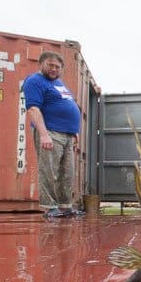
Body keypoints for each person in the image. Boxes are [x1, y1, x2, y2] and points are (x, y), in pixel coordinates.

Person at [23, 51, 85, 218]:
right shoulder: (34, 81)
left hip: (66, 135)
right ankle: (50, 208)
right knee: (49, 170)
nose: (54, 69)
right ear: (41, 64)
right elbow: (33, 109)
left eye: (57, 67)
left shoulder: (58, 83)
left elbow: (67, 105)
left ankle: (65, 206)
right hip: (50, 131)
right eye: (50, 65)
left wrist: (74, 131)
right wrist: (43, 134)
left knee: (67, 172)